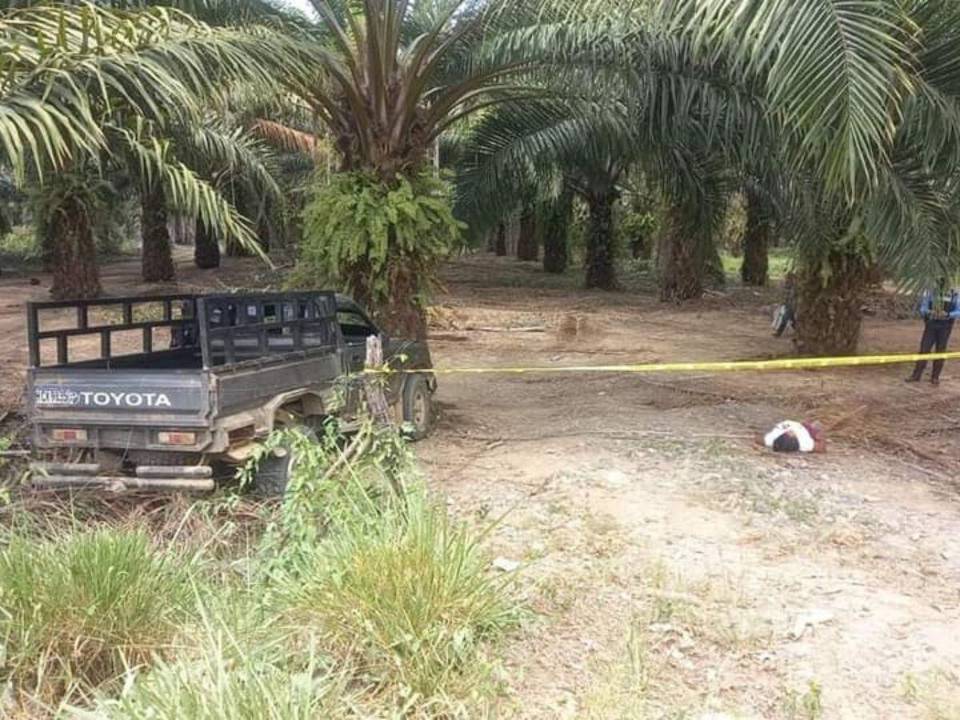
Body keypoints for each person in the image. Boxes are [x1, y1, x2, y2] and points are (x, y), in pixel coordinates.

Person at [906, 279, 960, 386]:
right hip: (931, 324)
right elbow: (923, 308)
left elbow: (958, 311)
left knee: (940, 351)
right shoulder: (931, 292)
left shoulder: (954, 294)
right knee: (924, 349)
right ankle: (916, 375)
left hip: (945, 326)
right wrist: (930, 312)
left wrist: (948, 314)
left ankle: (935, 377)